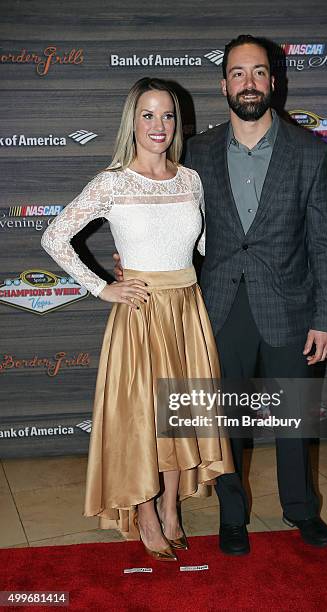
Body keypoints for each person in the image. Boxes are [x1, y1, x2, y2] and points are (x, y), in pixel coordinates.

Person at [115, 35, 327, 556]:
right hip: (216, 307)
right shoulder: (194, 152)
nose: (249, 83)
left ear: (273, 82)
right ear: (223, 85)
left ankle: (302, 510)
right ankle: (232, 516)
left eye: (258, 72)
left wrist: (326, 317)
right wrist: (131, 260)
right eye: (238, 73)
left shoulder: (310, 153)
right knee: (228, 423)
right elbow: (161, 214)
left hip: (290, 305)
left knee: (293, 419)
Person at [41, 77, 234, 562]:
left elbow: (206, 246)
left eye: (167, 115)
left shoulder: (190, 180)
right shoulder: (113, 181)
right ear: (132, 120)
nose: (159, 125)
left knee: (179, 421)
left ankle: (171, 508)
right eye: (148, 115)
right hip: (142, 314)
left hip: (188, 311)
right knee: (143, 422)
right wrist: (105, 285)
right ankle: (144, 512)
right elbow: (55, 236)